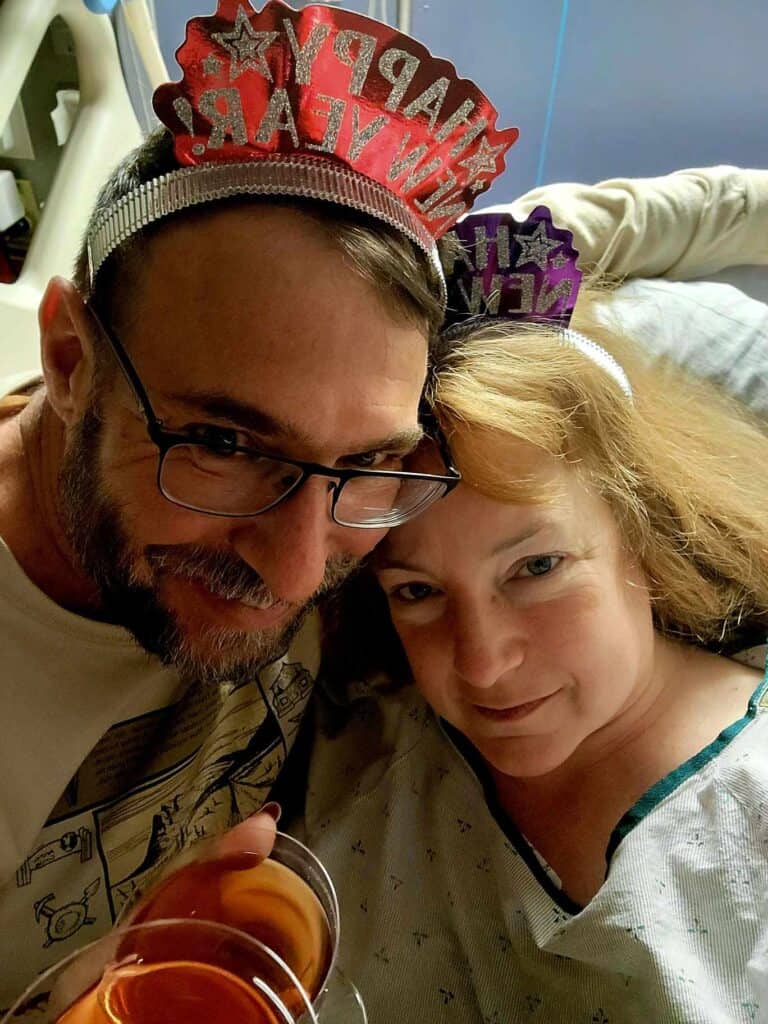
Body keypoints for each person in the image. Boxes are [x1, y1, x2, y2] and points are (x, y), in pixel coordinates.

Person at [0, 1, 517, 1006]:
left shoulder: (393, 537)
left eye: (367, 460)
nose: (292, 573)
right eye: (227, 446)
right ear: (71, 360)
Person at [298, 213, 768, 1022]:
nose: (480, 665)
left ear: (642, 529)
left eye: (536, 568)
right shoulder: (372, 739)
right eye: (417, 591)